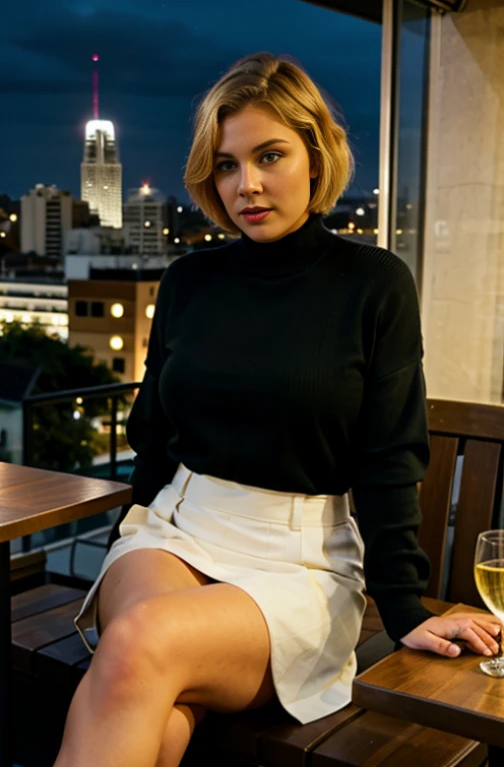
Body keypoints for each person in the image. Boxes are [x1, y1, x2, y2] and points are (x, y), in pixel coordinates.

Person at [56, 52, 501, 767]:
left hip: (301, 563)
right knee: (151, 681)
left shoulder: (374, 284)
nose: (247, 185)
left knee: (141, 655)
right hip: (175, 530)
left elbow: (391, 457)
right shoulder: (188, 280)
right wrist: (132, 538)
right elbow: (154, 441)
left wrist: (406, 604)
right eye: (226, 165)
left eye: (269, 156)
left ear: (317, 156)